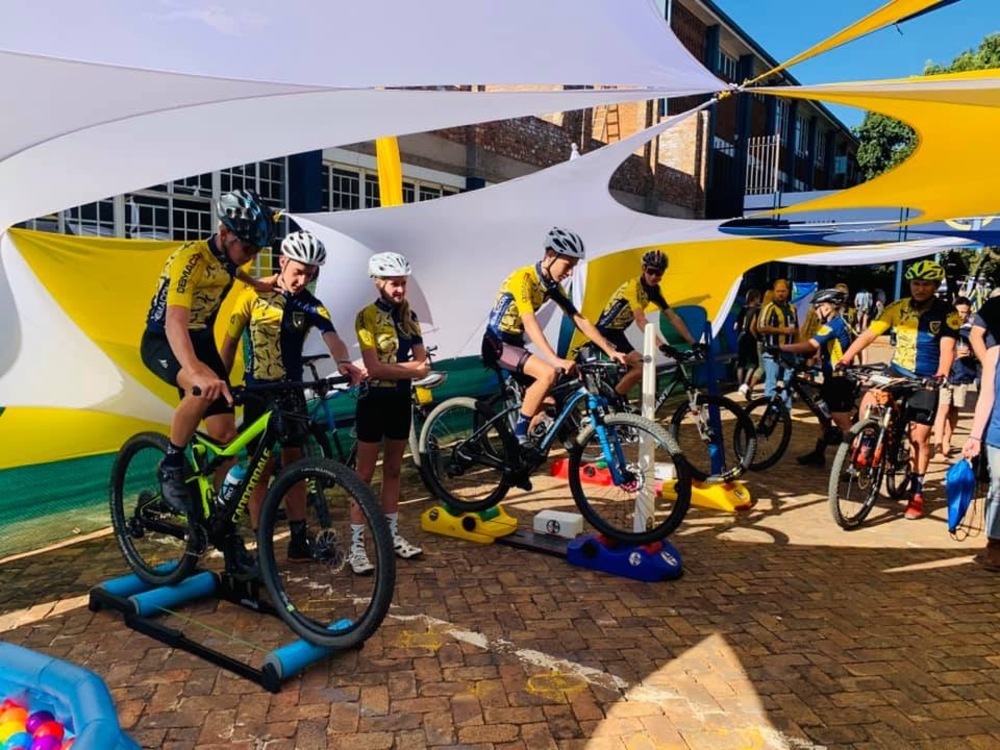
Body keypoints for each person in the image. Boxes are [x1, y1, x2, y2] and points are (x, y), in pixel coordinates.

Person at [140, 189, 275, 574]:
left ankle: (217, 523)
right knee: (200, 388)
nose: (250, 255)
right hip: (165, 340)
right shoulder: (192, 259)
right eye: (246, 247)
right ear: (224, 232)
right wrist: (195, 370)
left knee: (226, 440)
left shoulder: (230, 257)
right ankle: (170, 464)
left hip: (201, 341)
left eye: (256, 250)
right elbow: (174, 322)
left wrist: (258, 283)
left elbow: (233, 270)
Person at [220, 231, 365, 561]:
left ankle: (299, 539)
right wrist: (221, 384)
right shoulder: (251, 296)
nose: (303, 280)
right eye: (299, 271)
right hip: (258, 394)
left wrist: (343, 361)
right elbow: (228, 346)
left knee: (295, 466)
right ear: (282, 261)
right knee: (260, 470)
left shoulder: (310, 304)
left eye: (311, 274)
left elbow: (332, 337)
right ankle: (262, 545)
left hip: (291, 394)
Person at [482, 227, 628, 448]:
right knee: (548, 373)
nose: (570, 272)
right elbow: (530, 322)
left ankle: (528, 446)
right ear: (550, 255)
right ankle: (517, 439)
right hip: (496, 343)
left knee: (549, 399)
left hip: (514, 344)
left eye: (573, 266)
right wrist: (554, 359)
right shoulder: (523, 278)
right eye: (568, 265)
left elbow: (579, 319)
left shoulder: (550, 285)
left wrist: (610, 351)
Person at [837, 260, 960, 520]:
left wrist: (941, 375)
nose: (920, 288)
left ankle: (916, 493)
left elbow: (948, 348)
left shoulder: (947, 312)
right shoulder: (897, 307)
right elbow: (869, 334)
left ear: (935, 286)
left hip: (926, 378)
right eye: (916, 283)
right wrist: (845, 358)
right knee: (869, 398)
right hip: (897, 371)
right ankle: (868, 442)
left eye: (925, 284)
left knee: (919, 439)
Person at [351, 251, 429, 574]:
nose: (399, 289)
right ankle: (356, 546)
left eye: (403, 283)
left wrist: (396, 370)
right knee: (364, 475)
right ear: (378, 283)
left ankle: (391, 536)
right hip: (373, 401)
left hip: (399, 400)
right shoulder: (365, 317)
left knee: (394, 470)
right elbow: (373, 367)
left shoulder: (410, 317)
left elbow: (424, 365)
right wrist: (410, 369)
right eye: (394, 283)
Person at [594, 249, 700, 403]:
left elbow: (673, 317)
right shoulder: (633, 286)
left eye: (659, 273)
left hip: (617, 333)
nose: (654, 276)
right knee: (644, 368)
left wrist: (694, 343)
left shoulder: (654, 290)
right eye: (651, 271)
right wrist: (662, 345)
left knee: (650, 371)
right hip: (604, 333)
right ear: (643, 268)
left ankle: (638, 410)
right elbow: (640, 320)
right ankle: (611, 402)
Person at [777, 289, 856, 467]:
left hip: (839, 379)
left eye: (817, 306)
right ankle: (818, 454)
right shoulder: (841, 322)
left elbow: (810, 344)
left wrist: (781, 348)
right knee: (824, 418)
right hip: (832, 377)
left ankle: (856, 464)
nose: (815, 310)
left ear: (828, 307)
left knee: (843, 423)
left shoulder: (833, 325)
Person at [961, 317, 1000, 572]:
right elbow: (986, 396)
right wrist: (975, 436)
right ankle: (995, 546)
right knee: (999, 486)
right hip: (998, 433)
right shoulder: (995, 354)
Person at [933, 296, 976, 460]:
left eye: (965, 312)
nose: (962, 315)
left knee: (954, 410)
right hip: (946, 374)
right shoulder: (944, 327)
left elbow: (979, 352)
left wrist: (971, 354)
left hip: (962, 374)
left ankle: (947, 441)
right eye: (959, 311)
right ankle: (938, 445)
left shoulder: (971, 331)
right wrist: (954, 355)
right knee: (942, 409)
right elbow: (937, 350)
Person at [756, 279, 798, 408]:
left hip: (789, 351)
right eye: (778, 291)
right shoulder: (769, 308)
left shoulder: (792, 309)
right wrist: (782, 330)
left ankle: (785, 411)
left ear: (788, 292)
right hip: (772, 351)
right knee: (771, 382)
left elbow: (796, 329)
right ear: (774, 292)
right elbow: (761, 327)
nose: (780, 294)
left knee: (788, 382)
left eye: (783, 291)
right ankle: (772, 410)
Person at [735, 289, 761, 399]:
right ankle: (745, 385)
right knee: (754, 363)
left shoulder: (743, 309)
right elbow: (753, 327)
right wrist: (757, 338)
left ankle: (740, 385)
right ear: (755, 299)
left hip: (741, 337)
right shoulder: (757, 310)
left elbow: (735, 326)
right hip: (751, 339)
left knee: (741, 362)